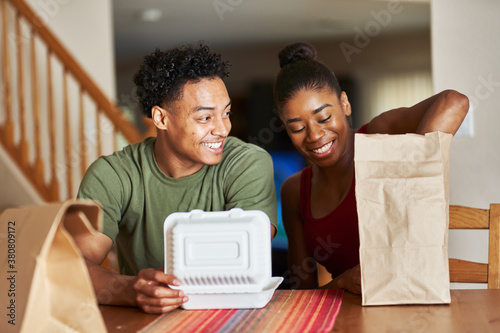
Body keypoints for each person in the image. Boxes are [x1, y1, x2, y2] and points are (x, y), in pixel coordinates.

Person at [75, 44, 278, 314]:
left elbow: (252, 256)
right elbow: (74, 266)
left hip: (236, 315)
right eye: (205, 117)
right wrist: (132, 289)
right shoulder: (113, 175)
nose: (222, 129)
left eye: (226, 113)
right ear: (161, 118)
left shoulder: (247, 163)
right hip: (148, 320)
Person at [274, 42, 469, 294]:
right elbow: (302, 292)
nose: (314, 135)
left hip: (414, 305)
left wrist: (410, 186)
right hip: (348, 318)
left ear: (344, 104)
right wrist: (341, 283)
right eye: (297, 128)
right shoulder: (294, 191)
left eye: (324, 118)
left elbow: (454, 102)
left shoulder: (379, 134)